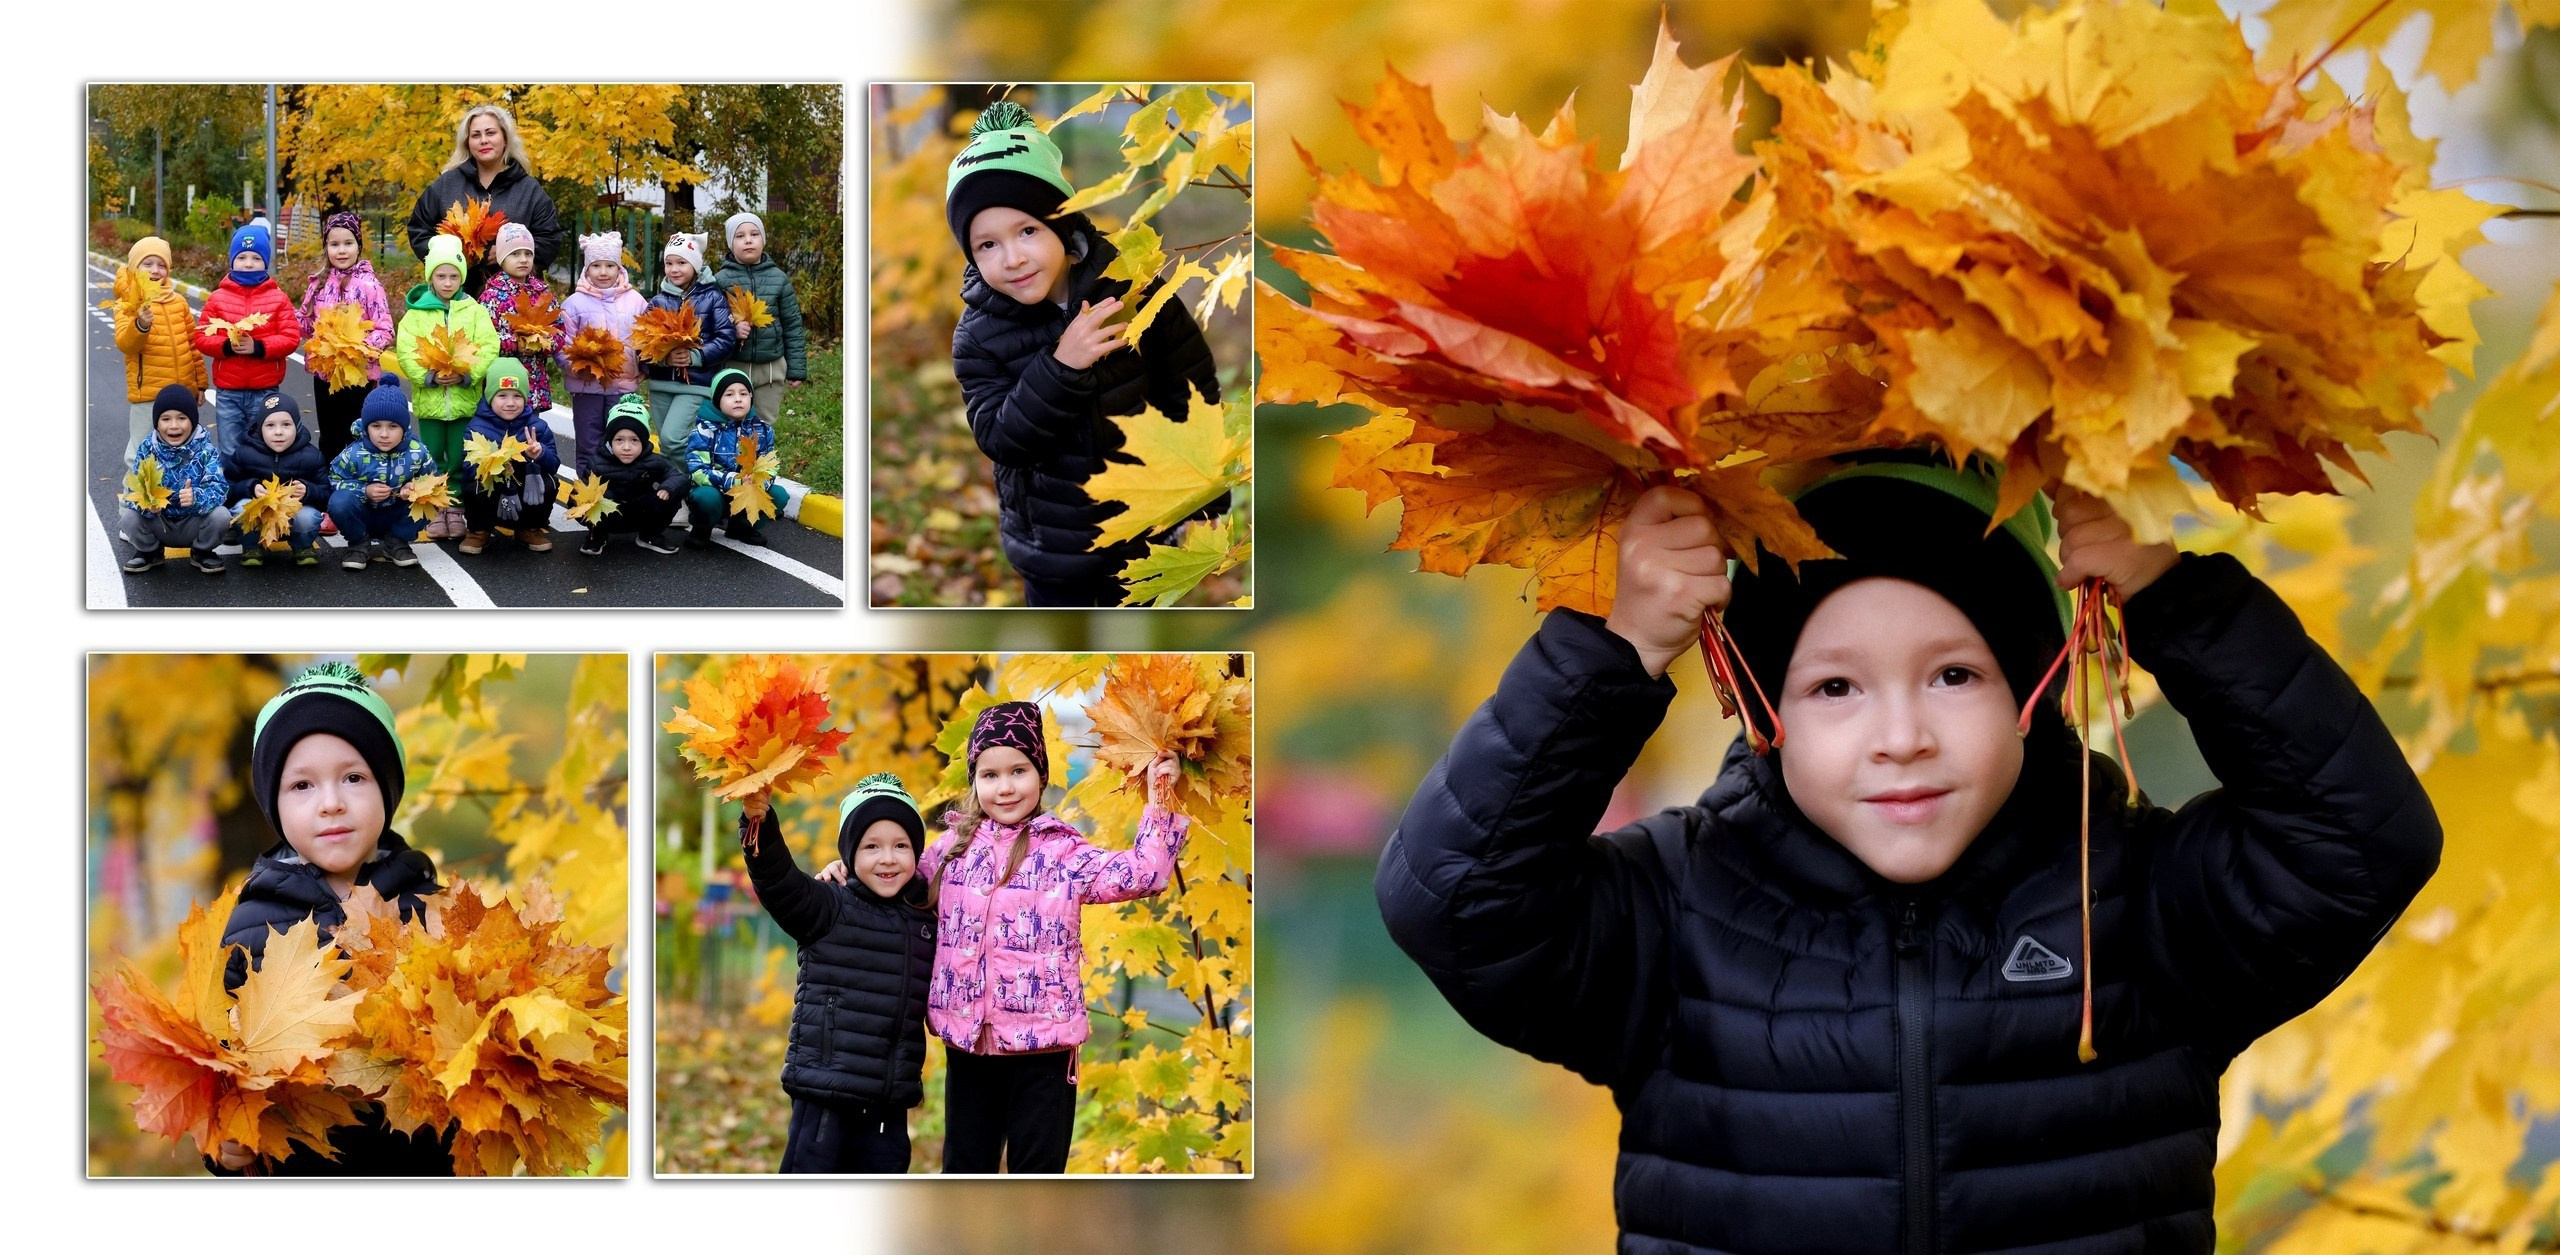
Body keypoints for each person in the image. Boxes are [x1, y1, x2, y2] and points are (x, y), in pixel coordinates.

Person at [1374, 454, 2445, 1253]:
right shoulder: (1675, 912)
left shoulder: (2129, 895)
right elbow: (1457, 898)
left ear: (2034, 687)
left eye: (1953, 676)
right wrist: (1615, 653)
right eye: (1834, 686)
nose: (1901, 737)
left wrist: (2171, 597)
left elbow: (2358, 839)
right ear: (1762, 704)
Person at [839, 702, 1184, 1173]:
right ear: (974, 781)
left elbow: (1142, 873)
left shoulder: (1063, 852)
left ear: (1040, 775)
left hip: (1044, 1053)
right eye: (989, 774)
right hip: (970, 1048)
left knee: (1036, 1176)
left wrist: (1160, 796)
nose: (1004, 787)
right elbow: (891, 880)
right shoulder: (950, 851)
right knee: (965, 1169)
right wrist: (844, 873)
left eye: (1018, 771)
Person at [944, 101, 1224, 607]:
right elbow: (1000, 437)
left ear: (1062, 226)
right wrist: (1060, 367)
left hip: (1142, 526)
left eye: (1028, 230)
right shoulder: (979, 335)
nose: (1013, 258)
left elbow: (1189, 383)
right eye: (986, 245)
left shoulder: (1130, 288)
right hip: (1054, 548)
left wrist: (1205, 496)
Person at [210, 662, 453, 1176]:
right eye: (302, 786)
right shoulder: (250, 927)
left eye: (353, 777)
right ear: (274, 804)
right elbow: (222, 1073)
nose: (332, 803)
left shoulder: (431, 909)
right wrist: (228, 1151)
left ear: (387, 792)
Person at [738, 772, 935, 1174]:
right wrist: (759, 822)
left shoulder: (926, 916)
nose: (887, 858)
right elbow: (778, 882)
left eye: (901, 846)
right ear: (849, 855)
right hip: (825, 1094)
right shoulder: (828, 906)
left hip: (887, 1103)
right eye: (871, 847)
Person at [394, 234, 499, 539]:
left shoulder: (475, 311)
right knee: (431, 454)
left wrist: (468, 375)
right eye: (441, 275)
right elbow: (407, 351)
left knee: (458, 456)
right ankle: (436, 505)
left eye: (454, 276)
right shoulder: (416, 314)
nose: (448, 282)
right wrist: (428, 375)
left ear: (463, 278)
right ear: (431, 277)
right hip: (430, 401)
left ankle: (455, 507)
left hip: (465, 400)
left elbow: (487, 346)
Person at [404, 102, 563, 298]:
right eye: (476, 135)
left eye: (490, 133)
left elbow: (550, 238)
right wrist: (452, 256)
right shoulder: (446, 185)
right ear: (467, 143)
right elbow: (419, 230)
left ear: (505, 138)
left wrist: (512, 251)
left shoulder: (529, 190)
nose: (483, 140)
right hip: (454, 297)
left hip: (515, 301)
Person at [193, 219, 303, 466]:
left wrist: (259, 347)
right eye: (242, 257)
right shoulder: (218, 298)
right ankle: (233, 496)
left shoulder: (278, 299)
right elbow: (201, 336)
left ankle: (260, 495)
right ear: (232, 260)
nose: (249, 263)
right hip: (228, 391)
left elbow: (290, 338)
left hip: (265, 390)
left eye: (256, 257)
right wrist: (226, 346)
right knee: (230, 447)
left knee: (264, 446)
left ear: (266, 261)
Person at [294, 210, 395, 464]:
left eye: (348, 243)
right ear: (326, 247)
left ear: (358, 246)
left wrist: (359, 348)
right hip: (325, 375)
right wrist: (288, 319)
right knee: (329, 435)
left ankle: (358, 486)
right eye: (334, 244)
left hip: (357, 376)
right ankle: (329, 488)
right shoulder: (318, 283)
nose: (341, 251)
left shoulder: (369, 285)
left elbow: (385, 330)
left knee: (356, 434)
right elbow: (306, 324)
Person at [116, 383, 230, 576]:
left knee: (221, 516)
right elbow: (135, 491)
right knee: (129, 517)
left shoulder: (206, 450)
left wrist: (197, 497)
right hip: (159, 521)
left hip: (194, 521)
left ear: (192, 421)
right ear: (157, 423)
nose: (174, 425)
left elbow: (219, 489)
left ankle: (202, 551)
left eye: (182, 418)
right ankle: (150, 551)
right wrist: (147, 505)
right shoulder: (147, 449)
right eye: (166, 419)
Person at [642, 231, 739, 455]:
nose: (674, 269)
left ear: (695, 265)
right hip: (661, 383)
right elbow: (641, 346)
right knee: (667, 447)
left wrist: (696, 356)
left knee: (672, 439)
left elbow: (726, 338)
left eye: (681, 262)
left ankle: (698, 479)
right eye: (669, 263)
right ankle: (675, 488)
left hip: (696, 384)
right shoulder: (657, 302)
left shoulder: (713, 297)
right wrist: (664, 358)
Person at [559, 232, 648, 475]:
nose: (603, 272)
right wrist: (576, 367)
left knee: (620, 441)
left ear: (619, 267)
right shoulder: (574, 304)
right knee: (588, 440)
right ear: (587, 269)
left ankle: (617, 492)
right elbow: (562, 343)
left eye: (610, 265)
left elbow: (646, 339)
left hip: (622, 386)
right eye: (596, 266)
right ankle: (587, 492)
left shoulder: (636, 302)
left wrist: (645, 367)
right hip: (586, 386)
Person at [110, 235, 205, 458]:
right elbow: (125, 344)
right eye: (148, 264)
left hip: (182, 393)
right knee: (142, 455)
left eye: (162, 265)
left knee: (183, 455)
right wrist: (140, 325)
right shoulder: (129, 302)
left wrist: (200, 382)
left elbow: (192, 344)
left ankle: (174, 494)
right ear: (134, 268)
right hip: (149, 394)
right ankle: (133, 494)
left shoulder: (179, 302)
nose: (155, 270)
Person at [326, 380, 436, 570]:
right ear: (366, 427)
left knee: (430, 498)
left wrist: (415, 488)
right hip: (363, 514)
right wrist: (364, 490)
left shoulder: (418, 452)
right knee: (339, 501)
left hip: (397, 513)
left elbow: (433, 480)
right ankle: (359, 542)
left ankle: (397, 541)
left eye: (393, 426)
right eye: (376, 426)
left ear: (404, 428)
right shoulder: (353, 454)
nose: (384, 434)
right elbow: (333, 481)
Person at [456, 357, 561, 556]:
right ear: (489, 397)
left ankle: (529, 528)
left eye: (517, 396)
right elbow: (468, 469)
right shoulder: (477, 428)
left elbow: (554, 465)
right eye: (502, 395)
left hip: (522, 486)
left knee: (549, 482)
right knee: (473, 486)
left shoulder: (537, 427)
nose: (510, 403)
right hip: (492, 487)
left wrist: (540, 454)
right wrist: (495, 463)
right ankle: (479, 531)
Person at [713, 210, 808, 424]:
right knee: (733, 420)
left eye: (754, 234)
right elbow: (712, 322)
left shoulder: (779, 279)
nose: (748, 240)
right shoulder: (721, 280)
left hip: (771, 367)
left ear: (762, 240)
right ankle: (732, 456)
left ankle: (760, 456)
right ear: (730, 243)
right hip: (734, 364)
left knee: (764, 422)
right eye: (740, 236)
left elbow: (792, 325)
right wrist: (732, 329)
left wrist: (796, 369)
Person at [683, 368, 786, 549]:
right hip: (717, 490)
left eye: (744, 393)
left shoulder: (762, 429)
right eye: (729, 394)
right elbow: (698, 471)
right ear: (717, 400)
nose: (738, 398)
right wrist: (735, 481)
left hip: (748, 489)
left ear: (751, 398)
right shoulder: (703, 431)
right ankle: (702, 528)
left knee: (778, 495)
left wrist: (759, 482)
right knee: (705, 498)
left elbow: (769, 464)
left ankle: (742, 526)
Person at [223, 393, 327, 567]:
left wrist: (308, 491)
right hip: (260, 517)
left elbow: (327, 494)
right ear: (259, 428)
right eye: (270, 425)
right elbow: (228, 490)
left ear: (298, 426)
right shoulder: (245, 453)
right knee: (241, 507)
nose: (278, 432)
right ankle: (251, 546)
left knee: (309, 515)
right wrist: (250, 487)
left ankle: (302, 546)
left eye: (286, 425)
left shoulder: (312, 456)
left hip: (292, 518)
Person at [578, 397, 685, 556]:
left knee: (672, 493)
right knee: (578, 499)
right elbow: (583, 493)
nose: (626, 447)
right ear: (610, 441)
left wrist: (668, 488)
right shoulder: (597, 463)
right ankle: (597, 536)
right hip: (609, 516)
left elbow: (679, 477)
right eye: (619, 440)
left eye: (634, 440)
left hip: (640, 513)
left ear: (643, 441)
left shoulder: (653, 460)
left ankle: (649, 535)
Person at [481, 222, 560, 418]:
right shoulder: (491, 297)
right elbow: (484, 340)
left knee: (531, 437)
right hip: (502, 386)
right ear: (501, 258)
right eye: (515, 254)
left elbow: (558, 332)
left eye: (528, 254)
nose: (523, 259)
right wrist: (516, 344)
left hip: (534, 384)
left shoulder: (543, 294)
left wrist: (541, 344)